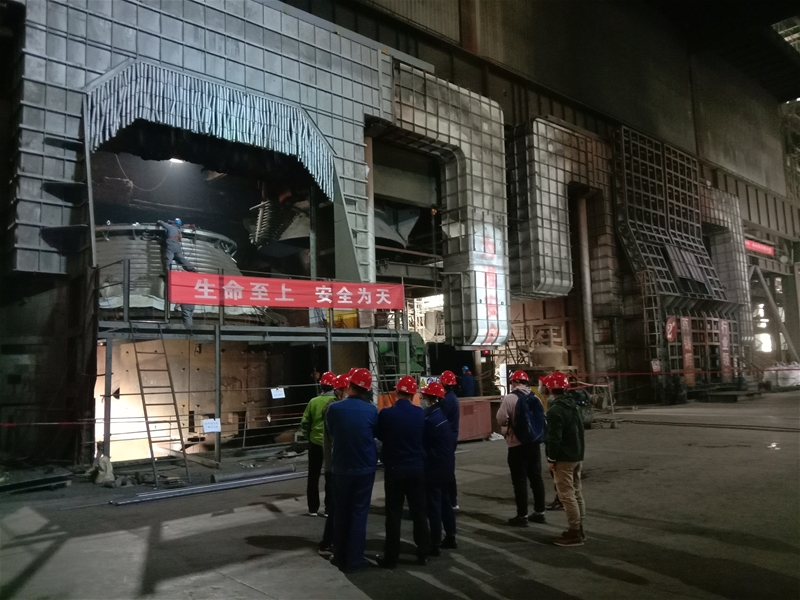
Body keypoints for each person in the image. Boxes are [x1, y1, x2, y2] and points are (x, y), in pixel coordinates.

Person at [325, 368, 378, 573]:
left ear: (349, 385)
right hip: (365, 468)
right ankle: (354, 560)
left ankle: (339, 555)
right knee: (359, 514)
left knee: (341, 513)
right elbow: (375, 433)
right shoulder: (372, 411)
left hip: (341, 468)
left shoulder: (334, 409)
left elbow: (331, 431)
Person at [375, 376, 430, 568]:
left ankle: (391, 557)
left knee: (393, 513)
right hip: (416, 468)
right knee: (419, 511)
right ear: (413, 393)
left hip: (394, 468)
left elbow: (379, 435)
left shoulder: (386, 414)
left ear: (397, 392)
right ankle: (423, 552)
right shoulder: (420, 413)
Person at [495, 370, 546, 527]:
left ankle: (522, 515)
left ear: (514, 382)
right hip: (534, 444)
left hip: (517, 445)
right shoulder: (535, 397)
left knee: (520, 481)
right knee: (536, 478)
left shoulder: (510, 398)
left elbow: (501, 419)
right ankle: (540, 512)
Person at [544, 371, 587, 547]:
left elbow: (554, 438)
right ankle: (579, 529)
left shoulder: (555, 410)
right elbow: (581, 432)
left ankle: (574, 533)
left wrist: (551, 458)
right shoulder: (573, 406)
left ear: (550, 388)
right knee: (576, 493)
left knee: (566, 495)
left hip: (564, 458)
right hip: (576, 455)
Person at [420, 382, 457, 555]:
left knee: (434, 506)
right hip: (446, 467)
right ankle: (451, 536)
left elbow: (423, 443)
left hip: (434, 468)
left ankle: (435, 543)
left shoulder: (430, 420)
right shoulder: (440, 415)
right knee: (445, 503)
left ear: (428, 397)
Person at [319, 373, 349, 557]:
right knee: (336, 508)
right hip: (336, 465)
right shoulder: (334, 409)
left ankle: (329, 541)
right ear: (339, 391)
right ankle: (330, 542)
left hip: (334, 464)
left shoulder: (333, 408)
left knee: (335, 508)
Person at [301, 371, 337, 516]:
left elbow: (305, 423)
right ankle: (329, 509)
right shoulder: (337, 402)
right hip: (331, 444)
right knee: (330, 475)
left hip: (315, 442)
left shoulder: (313, 402)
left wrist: (308, 437)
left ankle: (313, 509)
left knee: (313, 476)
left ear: (321, 385)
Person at [157, 218, 196, 325]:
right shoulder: (179, 228)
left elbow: (162, 223)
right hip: (177, 246)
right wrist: (191, 225)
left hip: (170, 244)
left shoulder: (170, 227)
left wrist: (160, 222)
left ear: (173, 223)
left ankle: (168, 271)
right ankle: (191, 268)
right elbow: (185, 225)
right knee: (180, 258)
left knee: (168, 258)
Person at [439, 370, 460, 509]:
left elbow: (439, 416)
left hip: (447, 439)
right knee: (448, 468)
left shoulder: (448, 400)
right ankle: (451, 500)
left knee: (446, 470)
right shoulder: (451, 398)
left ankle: (451, 501)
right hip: (451, 437)